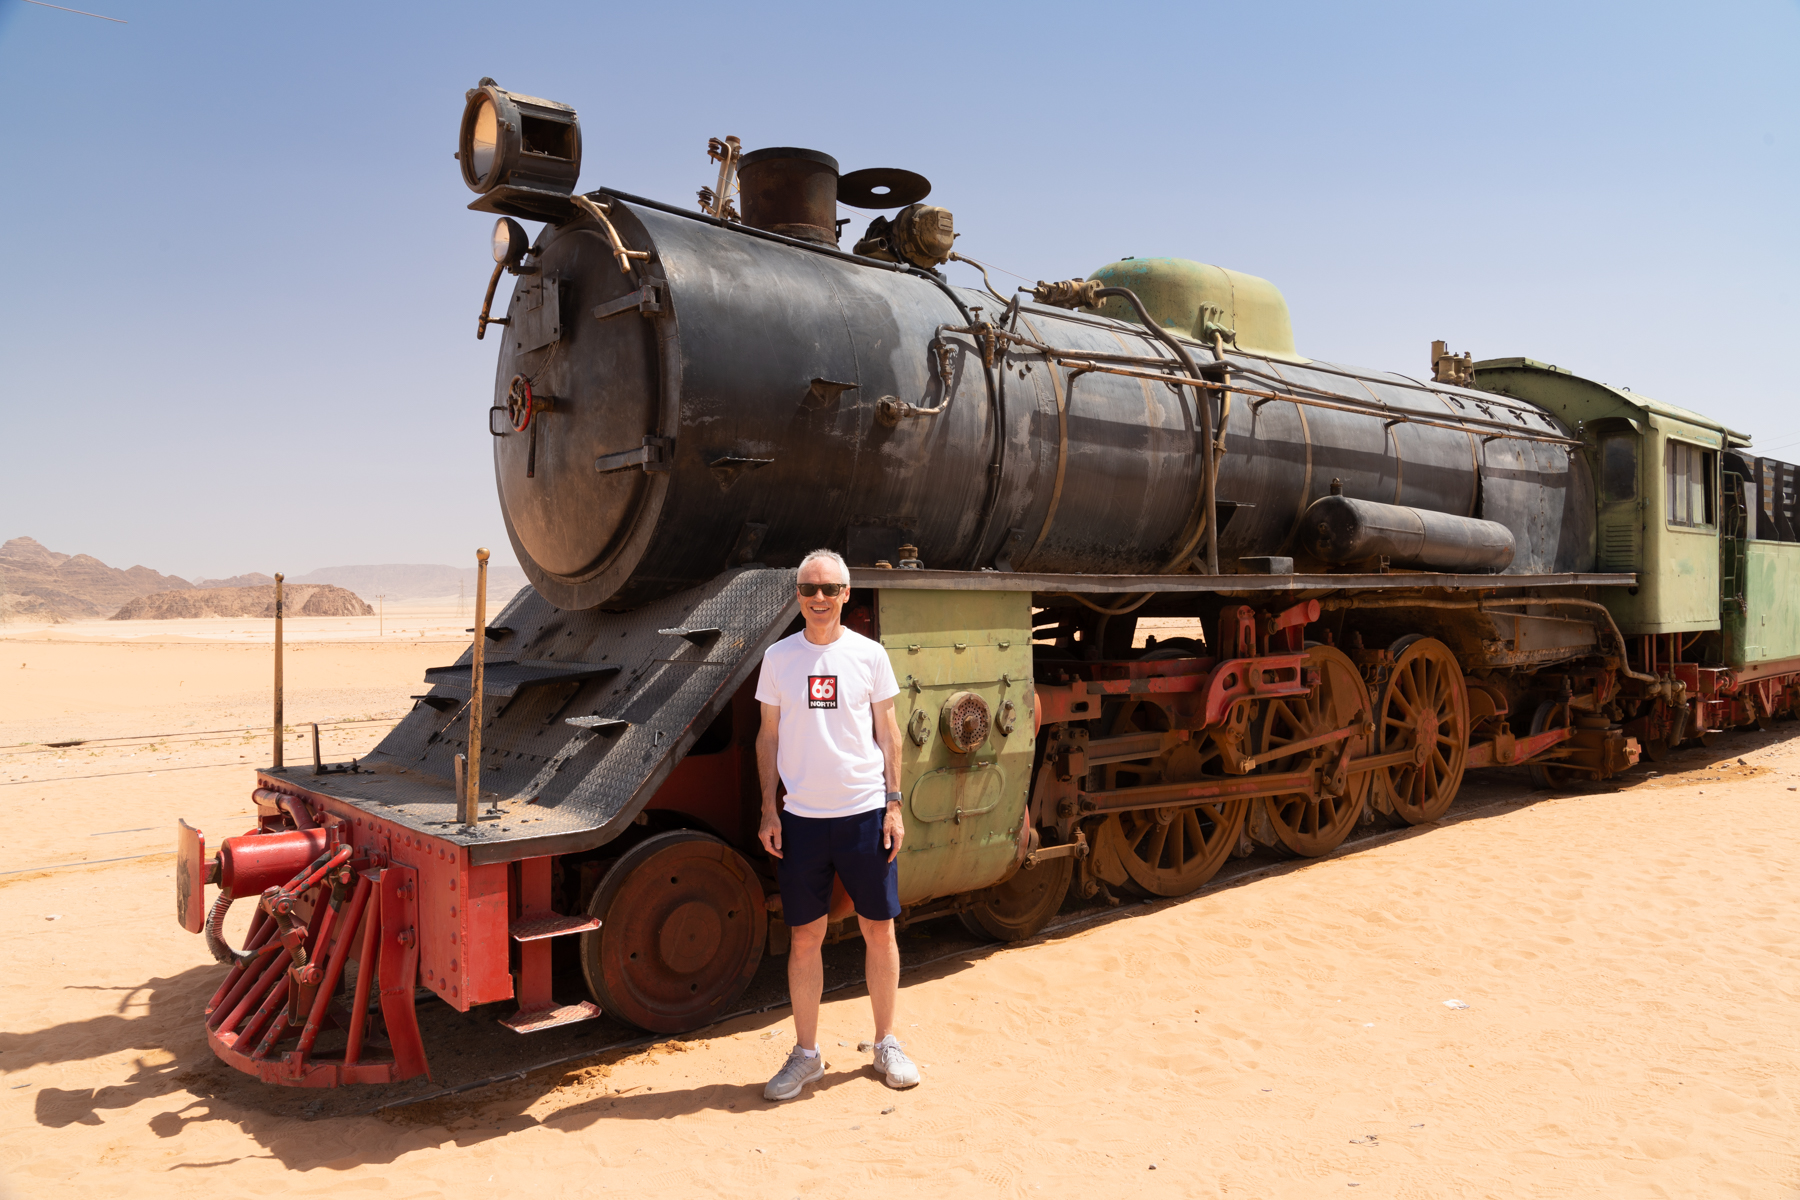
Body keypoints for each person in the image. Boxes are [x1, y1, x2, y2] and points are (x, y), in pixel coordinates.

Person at [756, 548, 921, 1101]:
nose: (819, 598)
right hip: (802, 818)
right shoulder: (778, 658)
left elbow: (890, 734)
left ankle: (886, 1044)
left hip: (864, 814)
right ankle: (807, 1056)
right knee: (806, 937)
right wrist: (767, 807)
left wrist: (894, 804)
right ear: (797, 595)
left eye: (830, 588)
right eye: (809, 588)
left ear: (847, 594)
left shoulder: (870, 656)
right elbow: (768, 738)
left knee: (880, 929)